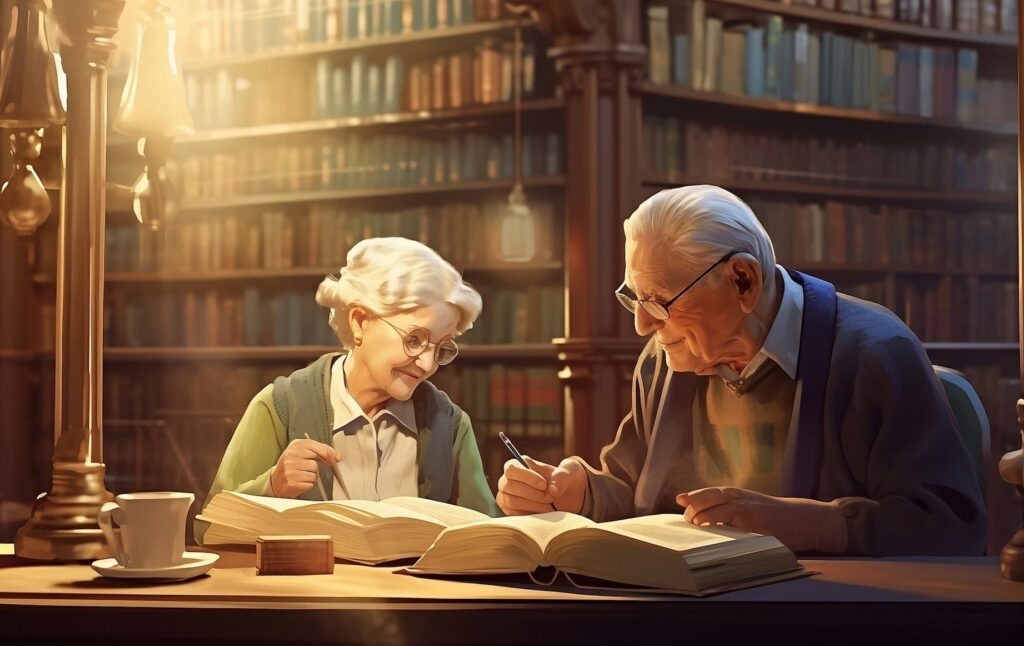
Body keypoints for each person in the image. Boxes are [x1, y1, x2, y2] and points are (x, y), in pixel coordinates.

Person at [496, 185, 987, 556]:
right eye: (634, 298)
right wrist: (580, 493)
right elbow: (633, 488)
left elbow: (953, 527)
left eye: (659, 302)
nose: (644, 324)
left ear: (743, 280)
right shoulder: (667, 359)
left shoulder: (873, 353)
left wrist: (818, 525)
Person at [197, 237, 499, 543]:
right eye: (415, 340)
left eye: (441, 348)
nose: (427, 363)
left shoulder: (450, 424)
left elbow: (488, 540)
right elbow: (207, 530)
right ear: (359, 322)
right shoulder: (279, 407)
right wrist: (272, 487)